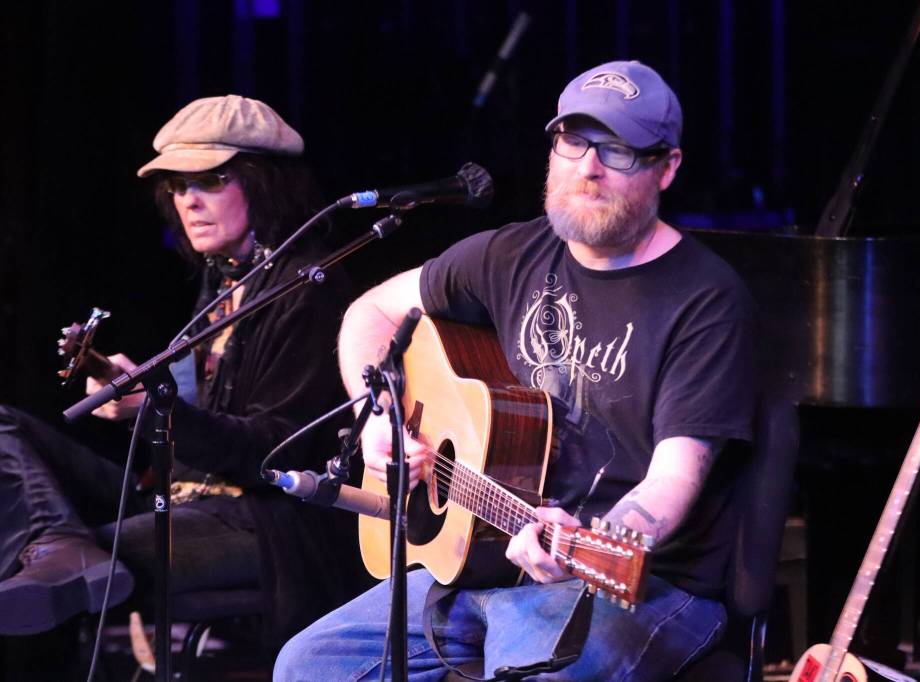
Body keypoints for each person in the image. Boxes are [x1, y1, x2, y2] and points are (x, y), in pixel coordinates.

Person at [275, 60, 757, 681]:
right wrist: (383, 415)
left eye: (620, 151)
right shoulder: (509, 255)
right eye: (574, 141)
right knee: (308, 665)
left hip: (637, 584)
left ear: (667, 166)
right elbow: (370, 311)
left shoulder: (707, 300)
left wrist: (582, 544)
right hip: (485, 559)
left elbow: (673, 480)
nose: (588, 167)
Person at [0, 95, 367, 646]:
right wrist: (142, 408)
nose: (188, 201)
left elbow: (276, 453)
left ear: (265, 183)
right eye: (176, 186)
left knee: (66, 563)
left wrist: (156, 408)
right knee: (7, 430)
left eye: (210, 180)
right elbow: (198, 433)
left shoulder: (309, 287)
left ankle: (63, 550)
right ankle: (59, 543)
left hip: (266, 520)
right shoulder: (221, 284)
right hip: (191, 497)